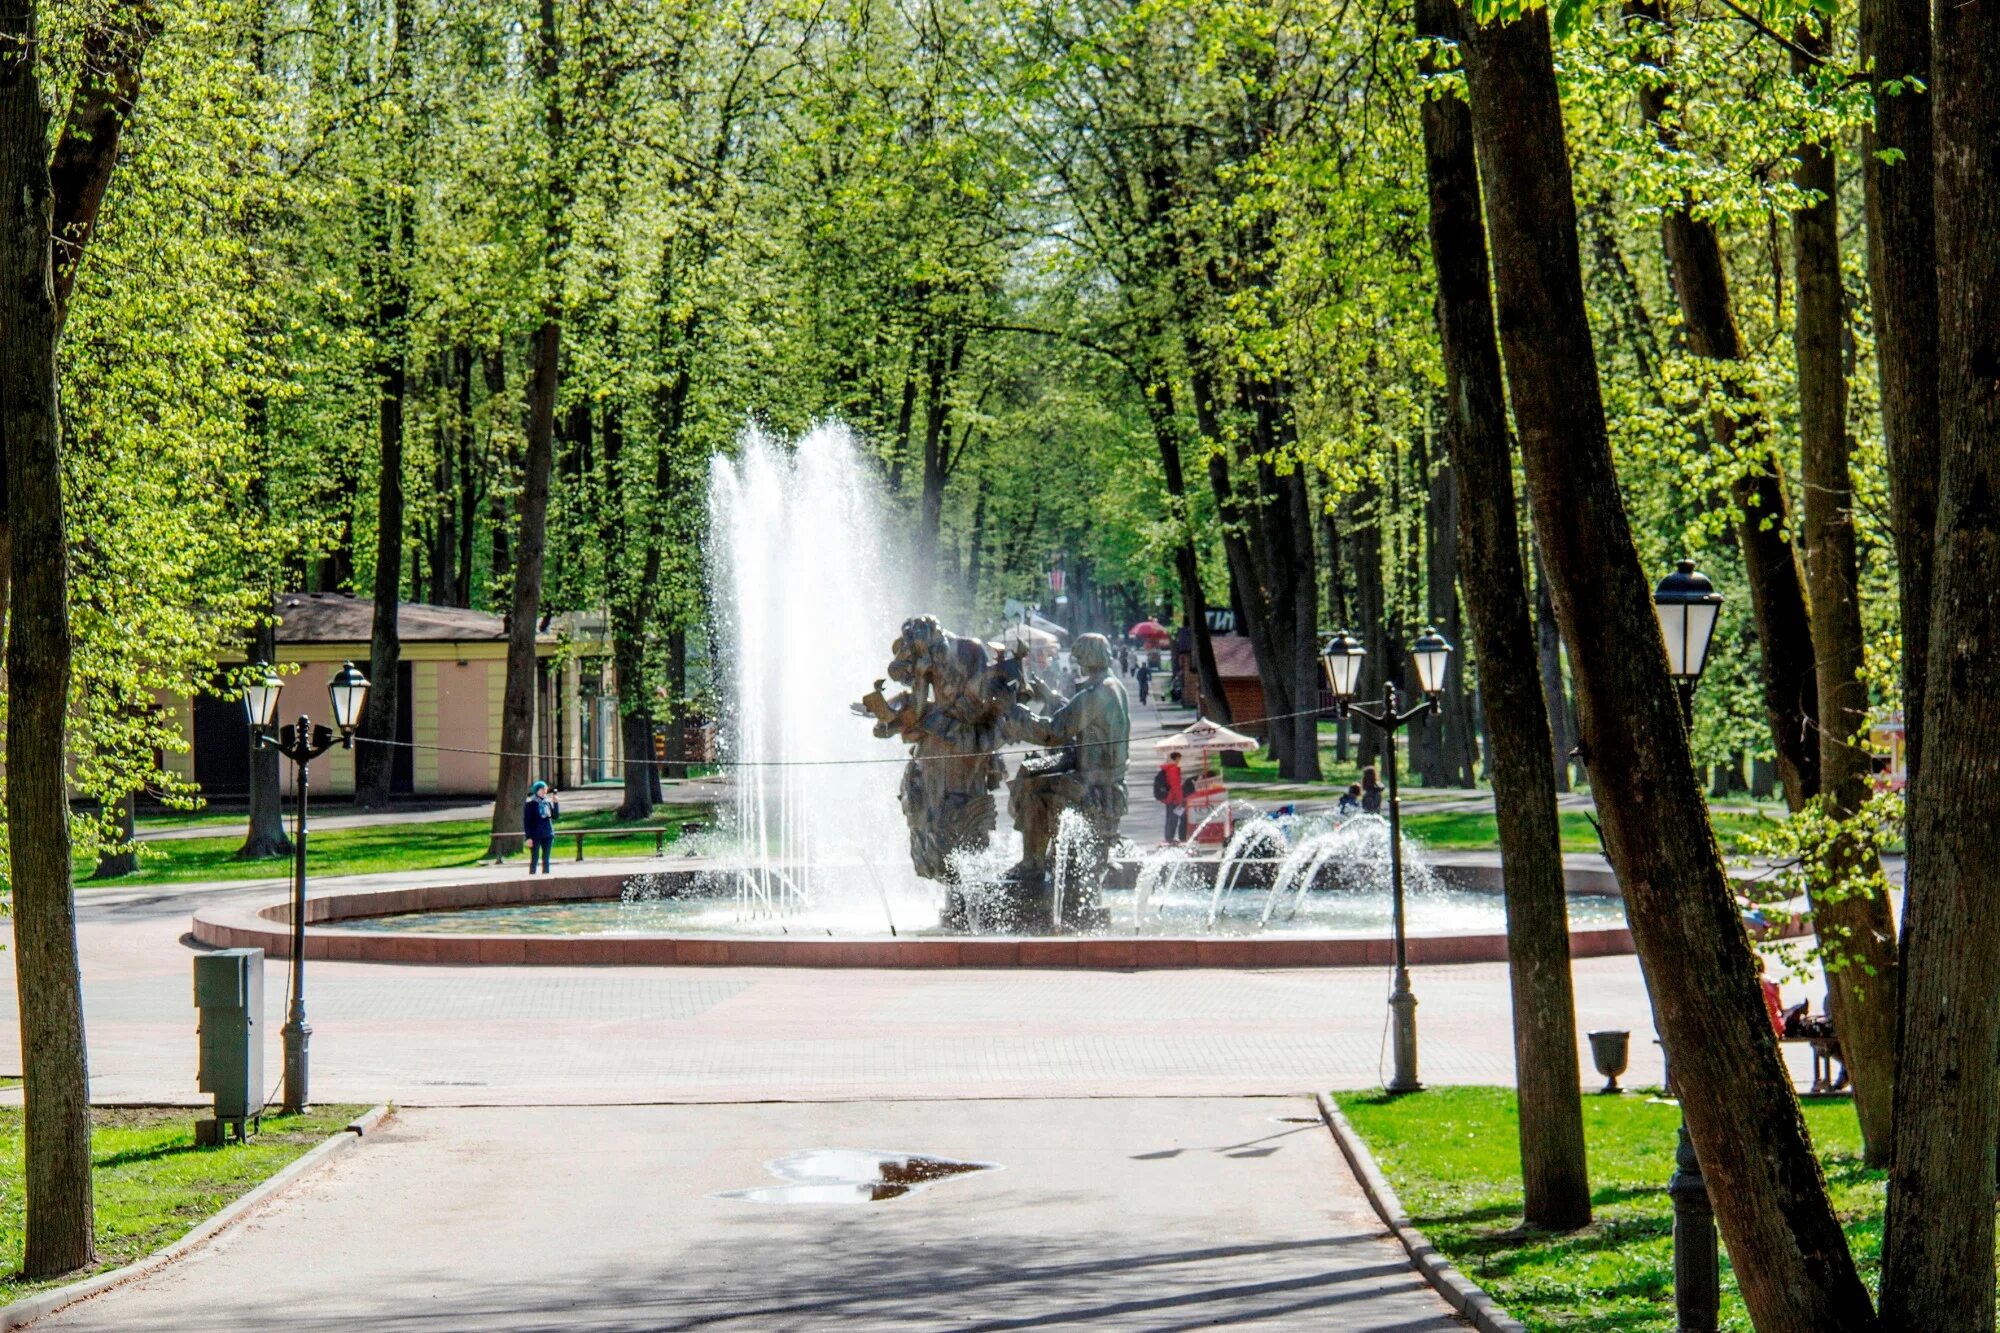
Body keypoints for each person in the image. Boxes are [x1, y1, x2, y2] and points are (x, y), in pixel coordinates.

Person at [523, 779, 560, 874]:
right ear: (537, 791)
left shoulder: (547, 802)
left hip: (548, 834)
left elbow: (555, 816)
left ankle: (546, 878)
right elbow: (527, 822)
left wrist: (556, 804)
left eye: (546, 789)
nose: (545, 791)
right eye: (542, 789)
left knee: (546, 859)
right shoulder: (531, 804)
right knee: (534, 858)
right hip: (535, 835)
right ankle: (532, 878)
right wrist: (529, 837)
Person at [1157, 750, 1186, 843]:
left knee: (1170, 817)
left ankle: (1168, 837)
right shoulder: (1173, 769)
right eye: (1179, 759)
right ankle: (1170, 838)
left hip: (1169, 797)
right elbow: (1175, 786)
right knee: (1175, 818)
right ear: (1176, 758)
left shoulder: (1168, 768)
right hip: (1174, 798)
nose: (1180, 761)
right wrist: (1180, 799)